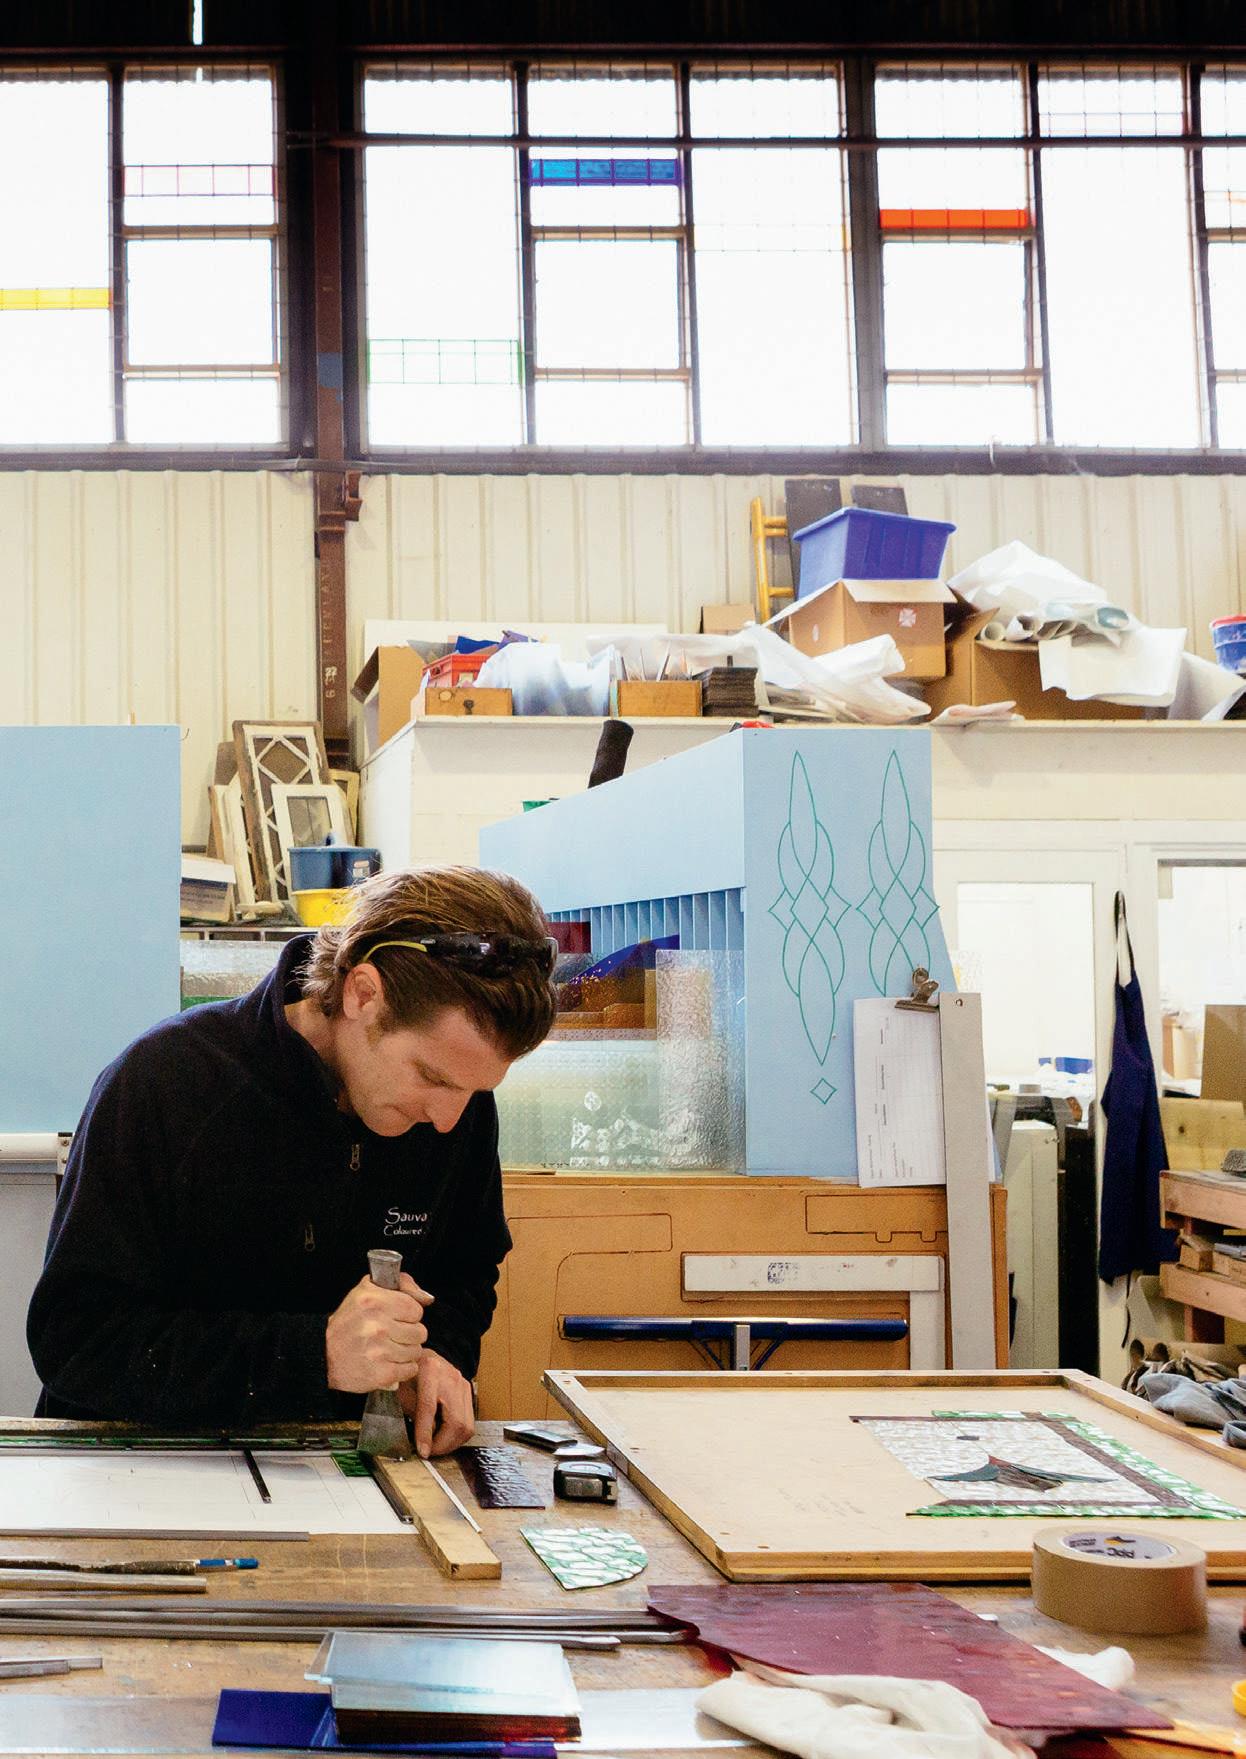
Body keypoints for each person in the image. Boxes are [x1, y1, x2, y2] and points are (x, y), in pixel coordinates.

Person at [27, 866, 558, 1455]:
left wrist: (439, 1355)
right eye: (430, 1077)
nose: (448, 1121)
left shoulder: (456, 1104)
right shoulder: (164, 1084)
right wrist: (316, 1356)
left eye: (476, 1090)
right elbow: (74, 1343)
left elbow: (467, 1269)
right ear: (362, 994)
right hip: (143, 1465)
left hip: (342, 1468)